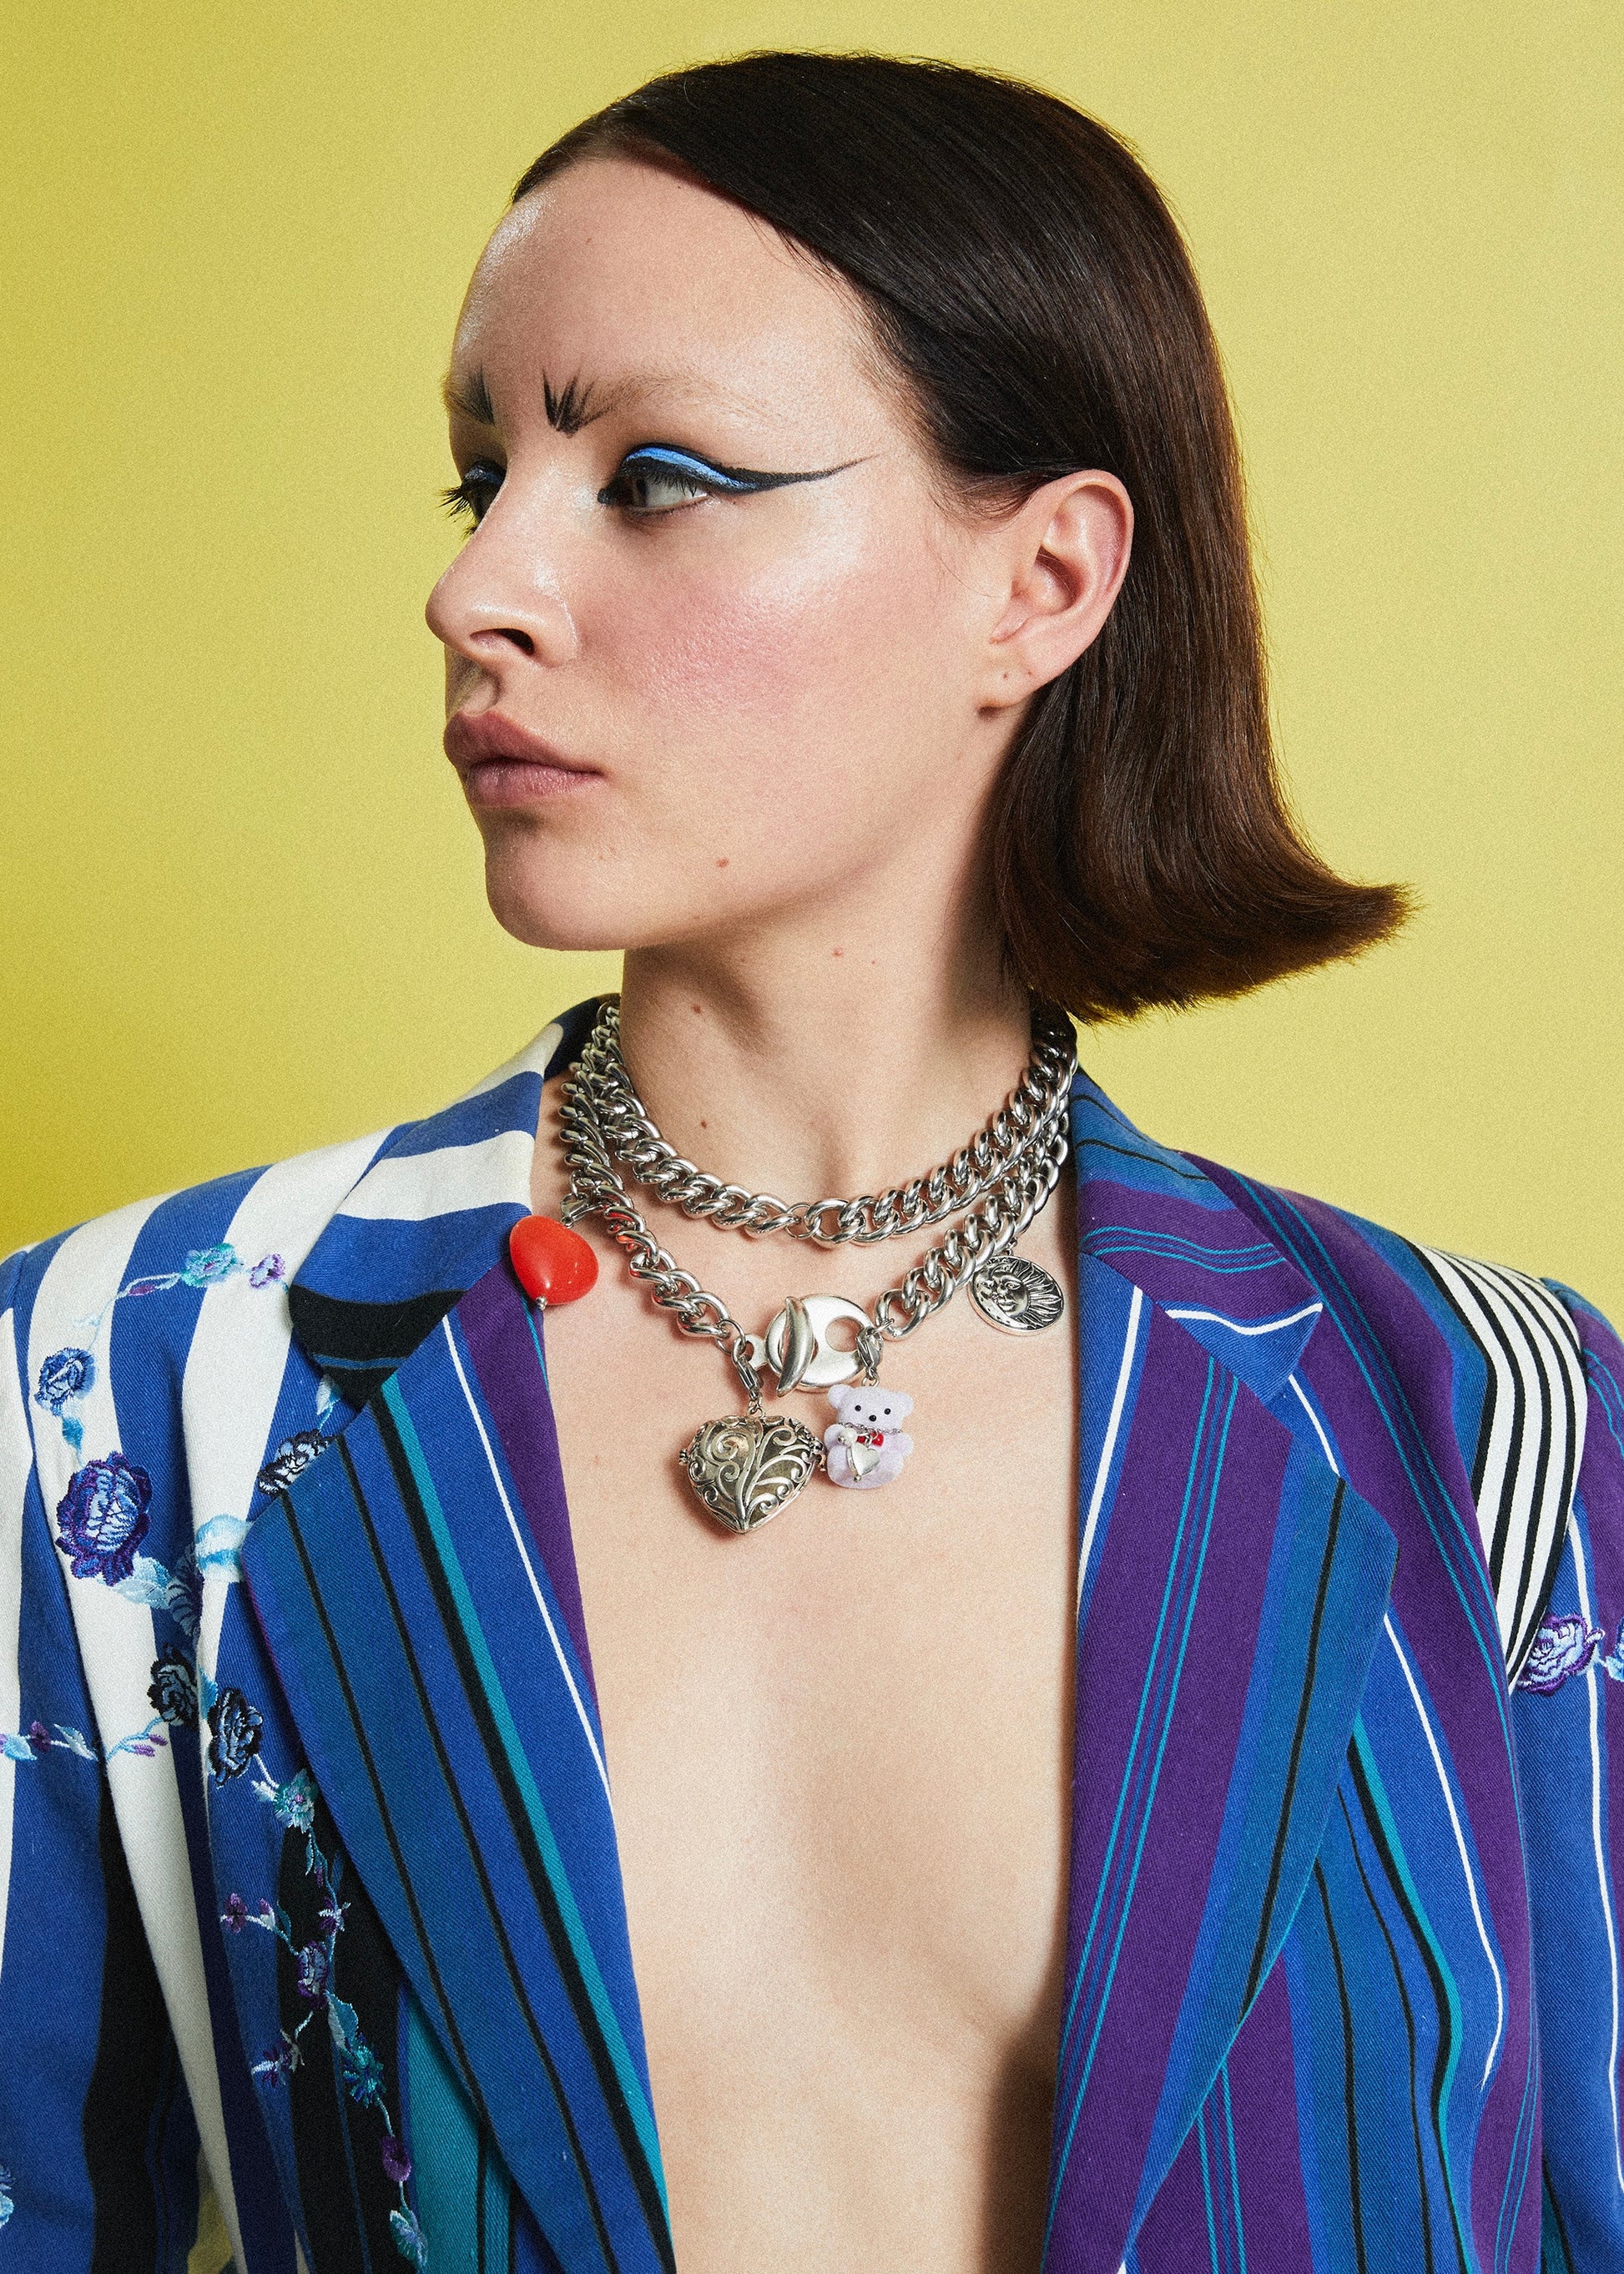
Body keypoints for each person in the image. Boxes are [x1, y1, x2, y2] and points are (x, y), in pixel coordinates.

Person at [0, 48, 1618, 2274]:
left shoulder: (1485, 1418)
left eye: (655, 477)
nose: (480, 589)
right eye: (480, 474)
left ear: (1039, 582)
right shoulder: (122, 1389)